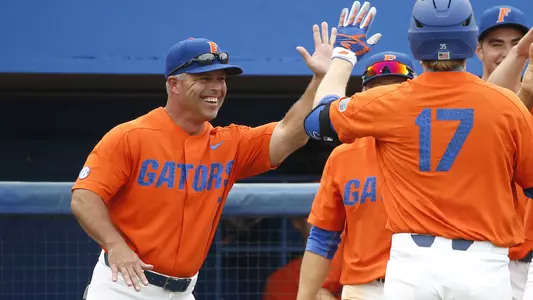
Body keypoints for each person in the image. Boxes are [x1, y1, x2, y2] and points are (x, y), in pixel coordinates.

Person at [71, 22, 337, 300]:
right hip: (123, 286)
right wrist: (115, 246)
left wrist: (319, 80)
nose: (216, 87)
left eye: (220, 78)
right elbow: (84, 197)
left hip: (183, 290)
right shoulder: (130, 136)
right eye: (204, 78)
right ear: (173, 84)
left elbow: (290, 134)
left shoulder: (229, 143)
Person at [303, 0, 533, 299]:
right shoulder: (507, 105)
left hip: (412, 266)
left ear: (416, 42)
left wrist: (344, 55)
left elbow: (318, 119)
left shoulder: (390, 100)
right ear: (469, 40)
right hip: (483, 265)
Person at [297, 51, 416, 300]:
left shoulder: (437, 147)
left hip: (423, 285)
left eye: (396, 88)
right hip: (364, 289)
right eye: (376, 89)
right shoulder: (343, 156)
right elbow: (322, 238)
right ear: (361, 98)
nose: (385, 96)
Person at [475, 7, 532, 299]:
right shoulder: (465, 101)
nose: (508, 52)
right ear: (478, 50)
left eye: (516, 43)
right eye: (497, 43)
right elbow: (489, 113)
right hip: (481, 258)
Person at [263, 218, 343, 300]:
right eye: (311, 217)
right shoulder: (281, 279)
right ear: (297, 222)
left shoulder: (349, 269)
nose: (322, 227)